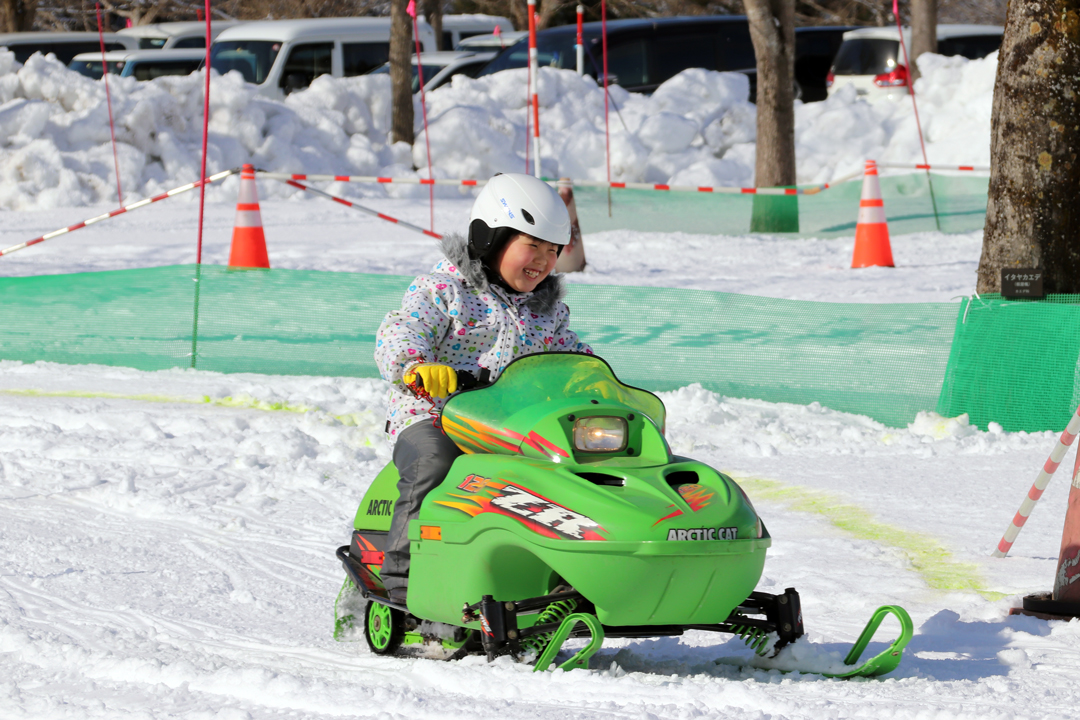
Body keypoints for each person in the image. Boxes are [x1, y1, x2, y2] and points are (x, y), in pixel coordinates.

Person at [374, 173, 593, 606]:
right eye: (532, 245)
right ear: (490, 239)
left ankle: (564, 568)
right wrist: (416, 367)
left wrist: (593, 381)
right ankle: (401, 581)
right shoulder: (443, 291)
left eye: (553, 251)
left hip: (512, 427)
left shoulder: (546, 310)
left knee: (573, 470)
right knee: (435, 463)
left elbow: (572, 356)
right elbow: (401, 332)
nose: (544, 261)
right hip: (437, 416)